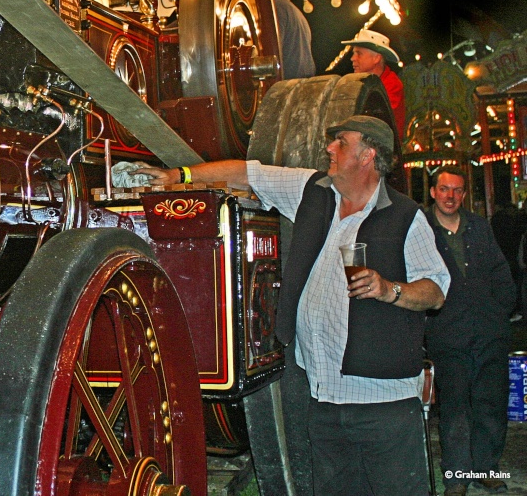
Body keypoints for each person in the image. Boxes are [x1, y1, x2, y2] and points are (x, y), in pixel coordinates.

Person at [131, 115, 449, 495]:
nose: (329, 148)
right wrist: (178, 176)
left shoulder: (406, 216)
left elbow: (436, 291)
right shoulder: (314, 190)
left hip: (385, 407)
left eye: (341, 142)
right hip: (323, 402)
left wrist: (389, 289)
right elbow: (248, 174)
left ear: (368, 154)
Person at [424, 166, 514, 496]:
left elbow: (500, 271)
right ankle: (457, 477)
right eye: (444, 189)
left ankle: (486, 468)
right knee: (455, 408)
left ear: (464, 194)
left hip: (488, 332)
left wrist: (500, 310)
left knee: (491, 403)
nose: (450, 196)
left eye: (457, 190)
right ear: (433, 192)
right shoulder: (422, 229)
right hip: (447, 333)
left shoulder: (478, 226)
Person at [344, 29, 406, 136]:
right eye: (353, 53)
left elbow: (378, 123)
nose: (352, 58)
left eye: (359, 54)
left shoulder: (392, 84)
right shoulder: (358, 82)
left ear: (376, 58)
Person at [269, 0, 315, 79]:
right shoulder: (293, 9)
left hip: (287, 81)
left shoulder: (276, 9)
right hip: (301, 79)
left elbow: (272, 50)